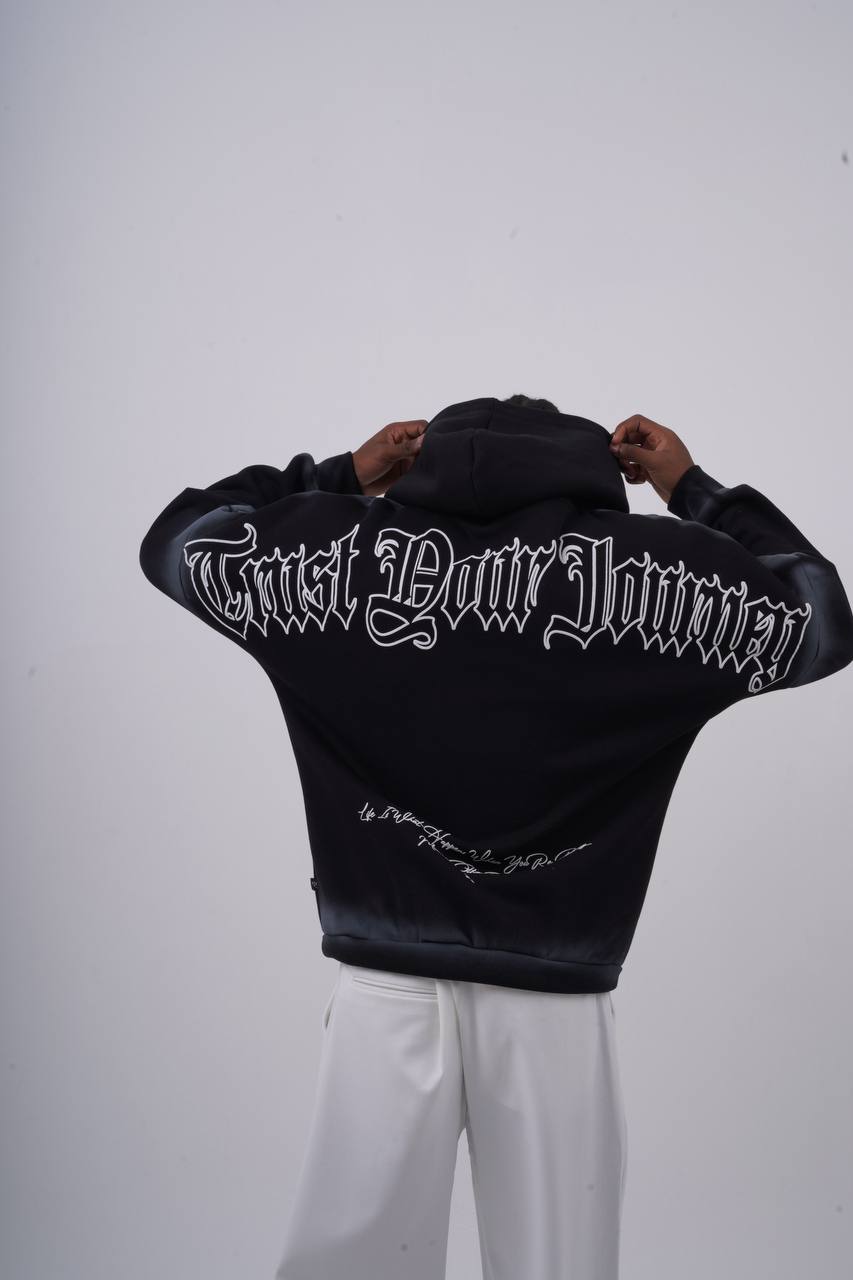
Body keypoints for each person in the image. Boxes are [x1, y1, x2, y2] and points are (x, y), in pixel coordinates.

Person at [139, 395, 853, 1280]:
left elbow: (177, 540)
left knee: (349, 1262)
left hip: (383, 984)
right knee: (557, 1262)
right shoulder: (660, 575)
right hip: (555, 992)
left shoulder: (335, 554)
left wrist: (342, 475)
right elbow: (820, 616)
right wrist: (690, 489)